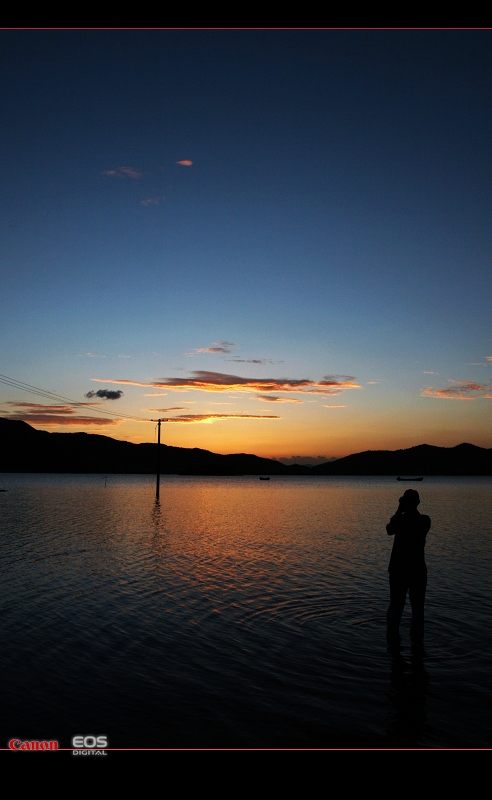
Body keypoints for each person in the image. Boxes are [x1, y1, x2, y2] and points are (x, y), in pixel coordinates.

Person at [386, 489, 431, 645]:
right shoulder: (425, 521)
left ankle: (392, 643)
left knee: (396, 607)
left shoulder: (401, 520)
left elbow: (389, 529)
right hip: (418, 571)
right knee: (418, 610)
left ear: (404, 503)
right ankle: (417, 646)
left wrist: (399, 509)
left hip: (399, 570)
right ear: (418, 503)